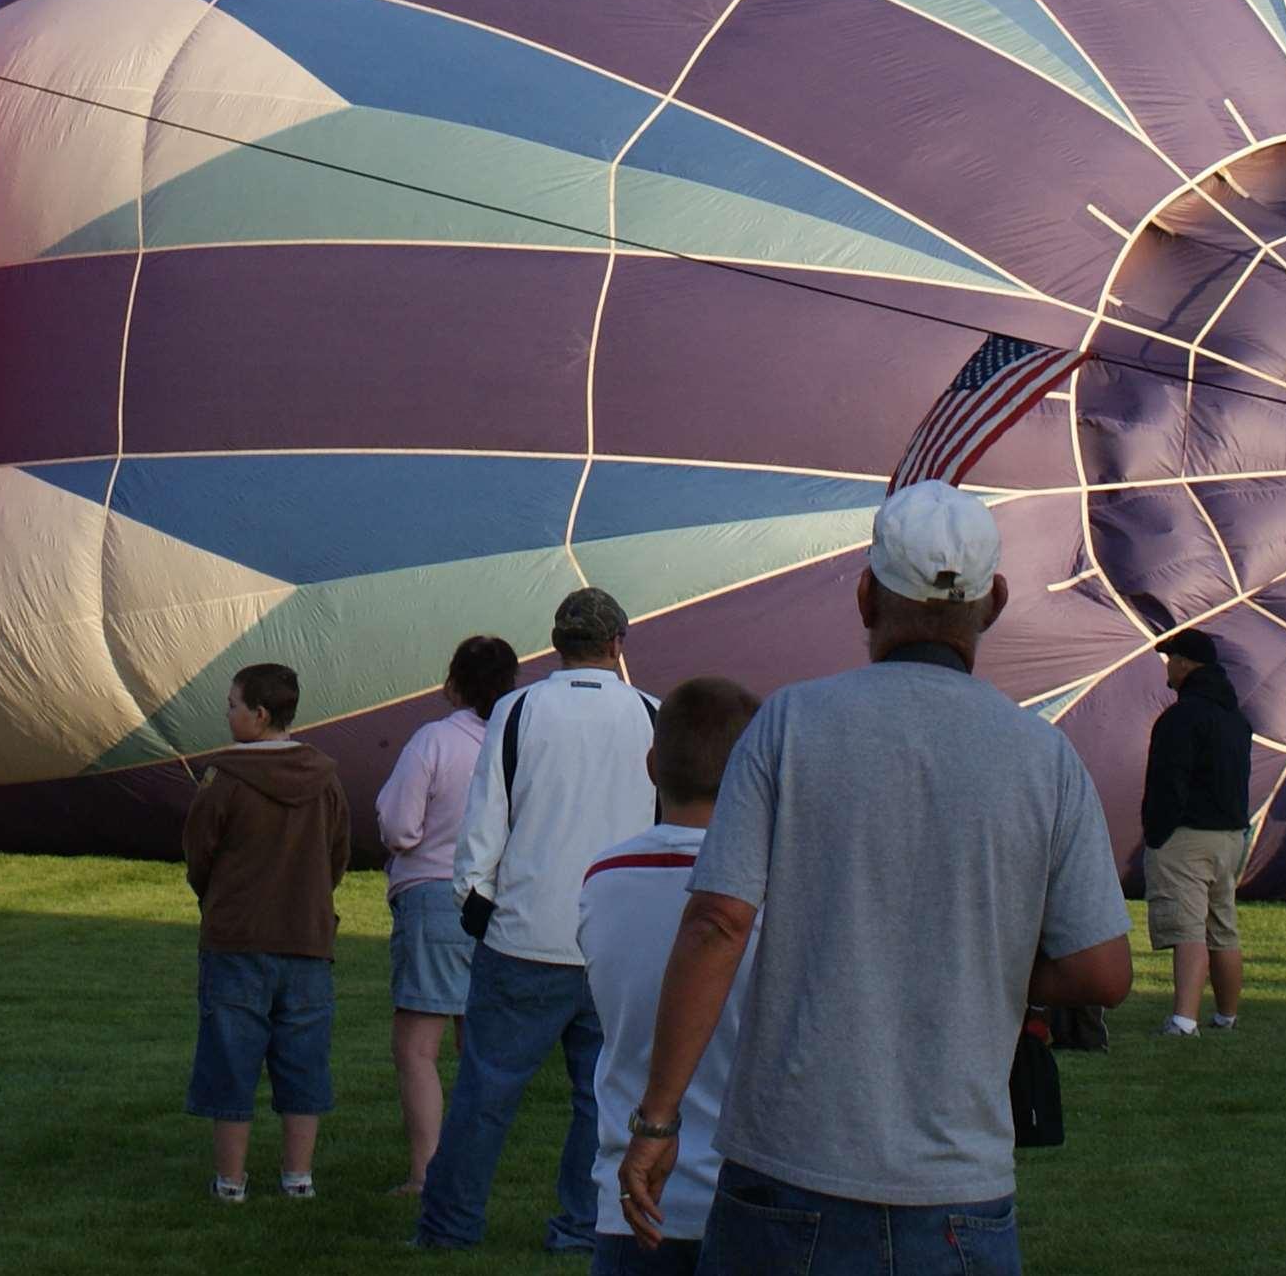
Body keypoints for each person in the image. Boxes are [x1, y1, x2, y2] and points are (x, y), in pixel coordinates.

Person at [621, 481, 1131, 1274]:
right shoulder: (1043, 758)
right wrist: (982, 951)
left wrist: (656, 1119)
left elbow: (717, 922)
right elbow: (1101, 972)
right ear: (992, 603)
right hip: (956, 1188)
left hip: (788, 1170)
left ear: (864, 594)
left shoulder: (788, 724)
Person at [414, 587, 660, 1253]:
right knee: (600, 1101)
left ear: (556, 644)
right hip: (616, 939)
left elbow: (484, 818)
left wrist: (474, 901)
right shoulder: (648, 713)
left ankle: (449, 1226)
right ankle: (582, 1227)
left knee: (485, 1093)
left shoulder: (518, 710)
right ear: (617, 643)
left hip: (525, 932)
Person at [578, 675, 760, 1274]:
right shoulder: (774, 886)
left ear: (654, 766)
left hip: (633, 1191)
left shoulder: (604, 877)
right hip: (754, 1193)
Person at [183, 661, 349, 1203]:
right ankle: (297, 1178)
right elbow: (337, 858)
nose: (226, 714)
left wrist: (220, 899)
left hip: (237, 941)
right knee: (304, 1061)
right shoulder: (325, 778)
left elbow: (199, 854)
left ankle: (230, 1182)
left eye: (232, 705)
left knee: (231, 1060)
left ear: (258, 714)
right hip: (307, 939)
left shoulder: (223, 778)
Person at [378, 633, 522, 1194]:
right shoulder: (519, 740)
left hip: (435, 896)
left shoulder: (435, 740)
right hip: (500, 901)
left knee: (416, 1046)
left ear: (452, 683)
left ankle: (426, 1172)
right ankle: (470, 1170)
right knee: (479, 1047)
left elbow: (398, 826)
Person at [1138, 627, 1250, 1034]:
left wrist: (1157, 831)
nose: (1168, 666)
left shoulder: (1180, 718)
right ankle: (1226, 1015)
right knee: (1222, 928)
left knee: (1188, 929)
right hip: (1230, 837)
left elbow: (1168, 781)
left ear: (1185, 664)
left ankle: (1184, 1021)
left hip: (1186, 836)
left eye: (1172, 659)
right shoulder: (1236, 719)